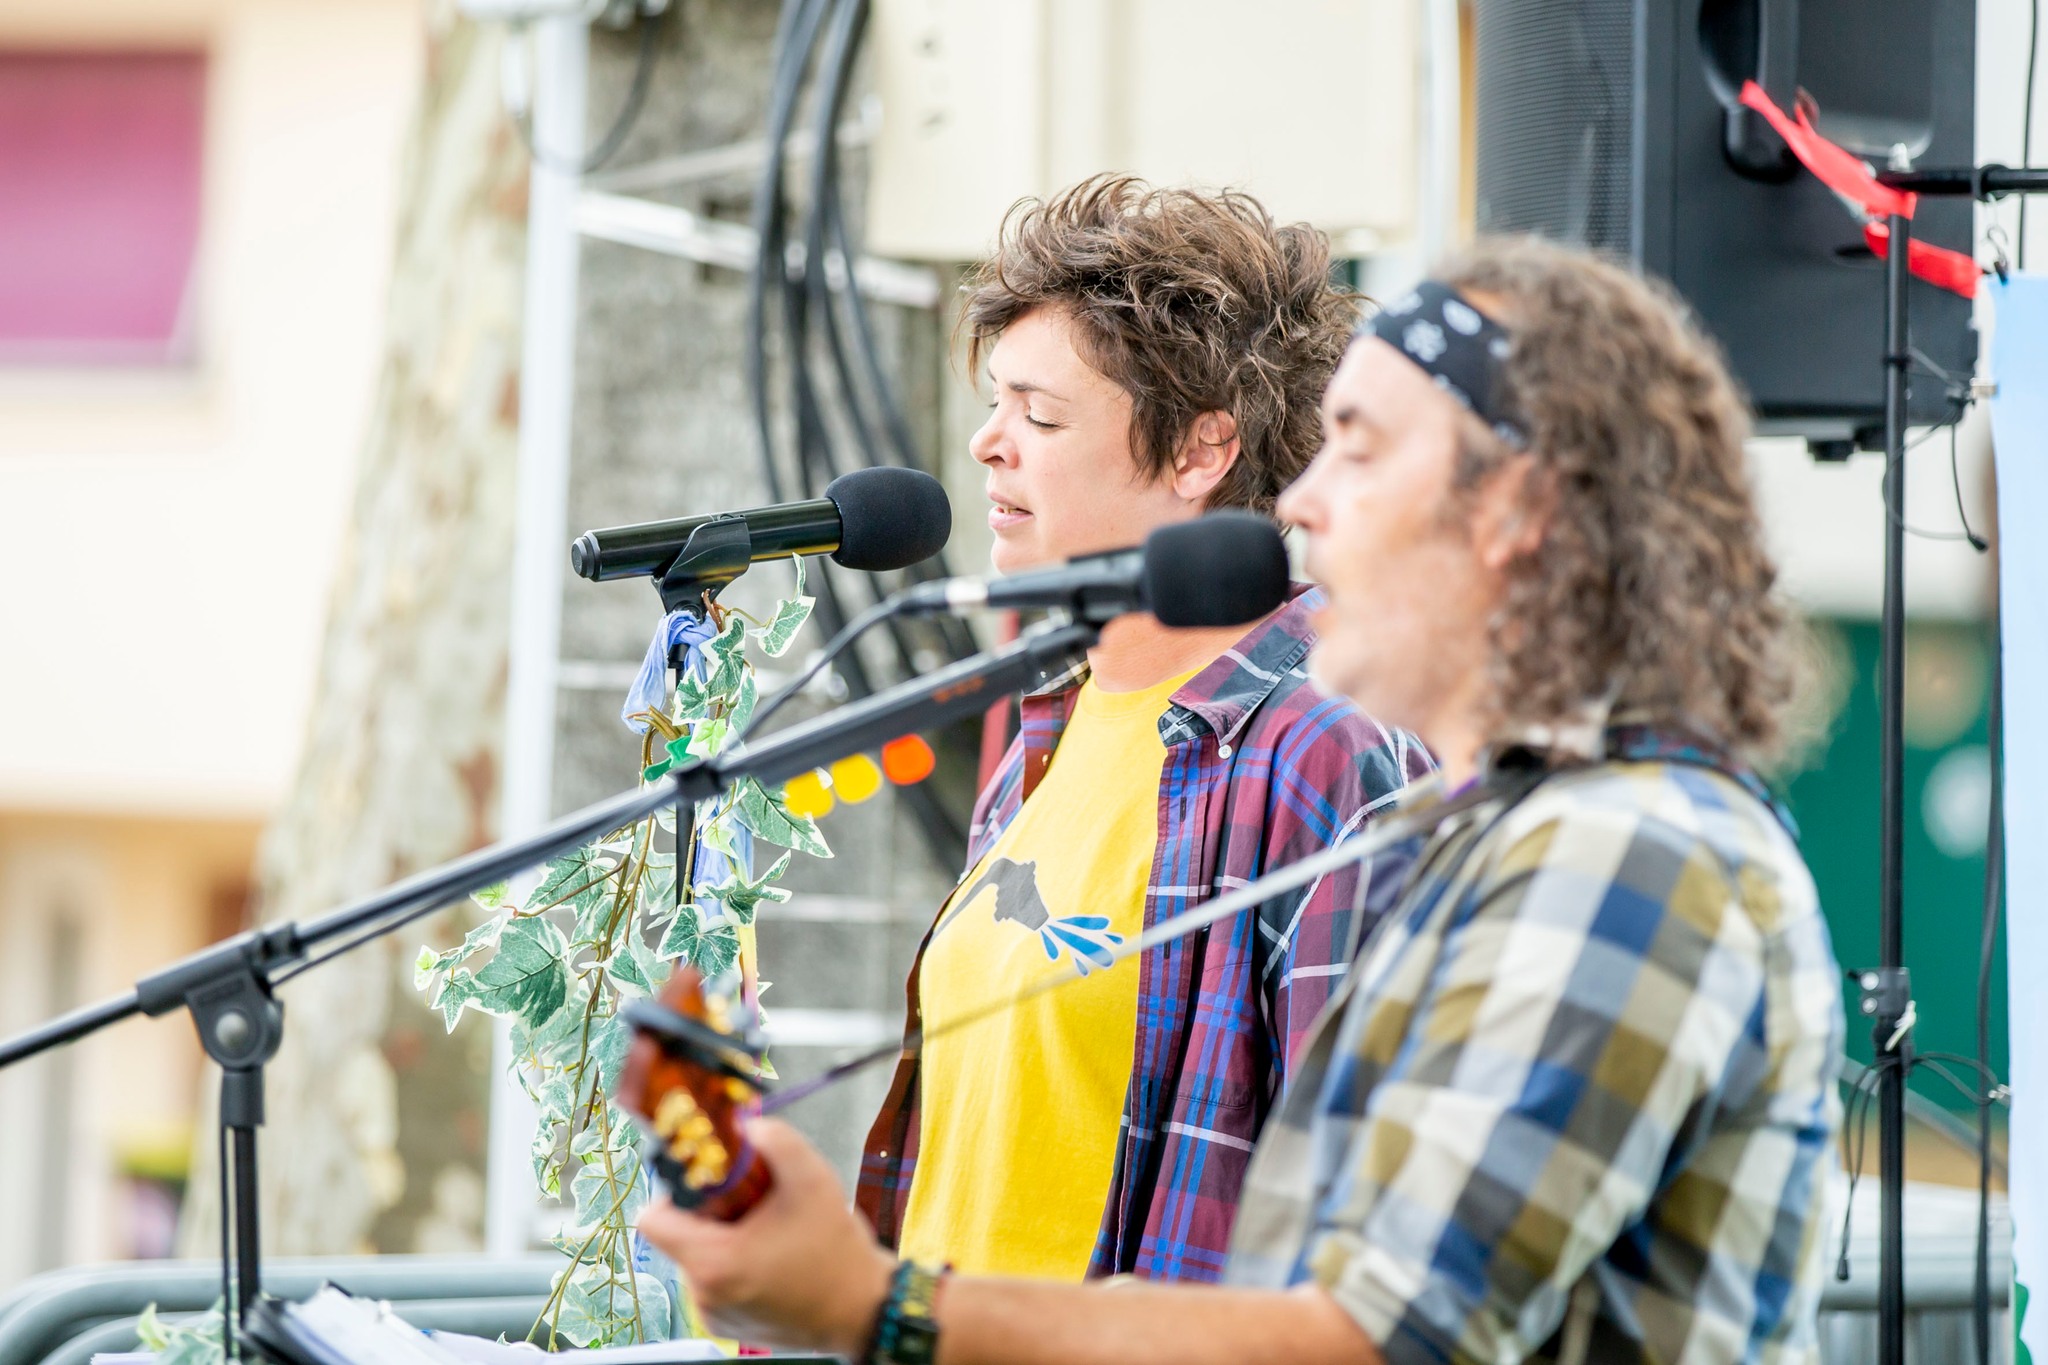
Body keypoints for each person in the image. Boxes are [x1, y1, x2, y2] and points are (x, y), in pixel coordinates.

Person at [640, 235, 1845, 1365]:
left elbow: (1368, 1338)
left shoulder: (1629, 852)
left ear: (1518, 512)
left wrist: (875, 1305)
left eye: (1361, 450)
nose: (1306, 503)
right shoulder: (1504, 834)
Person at [857, 174, 1433, 1285]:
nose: (987, 444)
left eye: (1040, 415)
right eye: (993, 404)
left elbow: (1354, 1225)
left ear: (1200, 451)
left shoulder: (1325, 748)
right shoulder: (1049, 718)